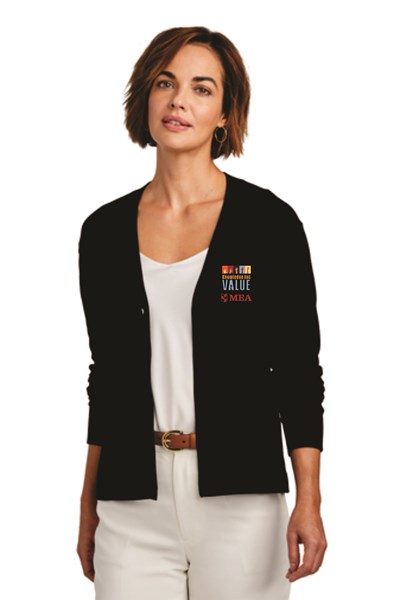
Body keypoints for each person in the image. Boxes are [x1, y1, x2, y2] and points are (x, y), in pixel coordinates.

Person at [76, 26, 327, 600]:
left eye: (201, 88)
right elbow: (106, 378)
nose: (179, 101)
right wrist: (88, 504)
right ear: (145, 97)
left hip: (242, 504)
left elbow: (297, 371)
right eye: (165, 83)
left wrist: (309, 499)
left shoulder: (270, 223)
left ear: (225, 113)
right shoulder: (103, 232)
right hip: (131, 505)